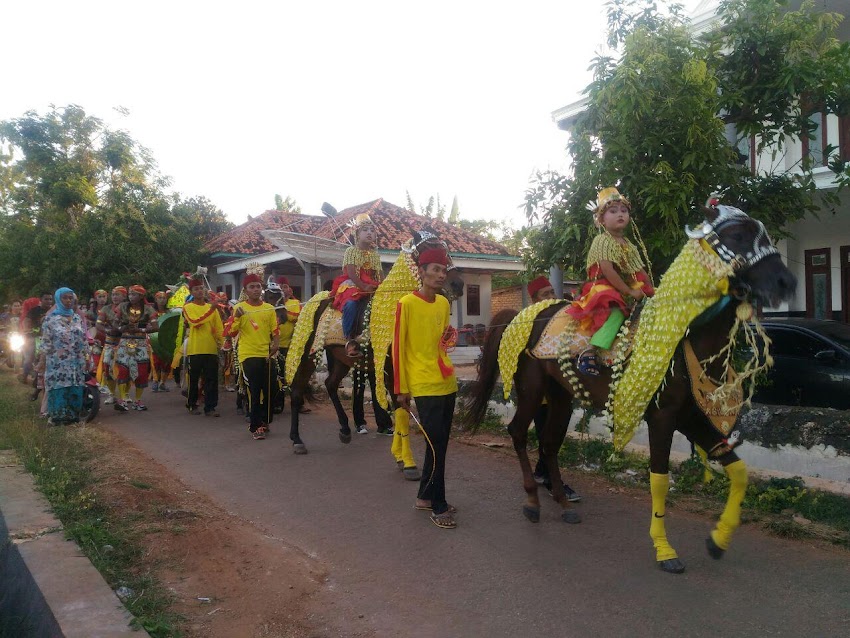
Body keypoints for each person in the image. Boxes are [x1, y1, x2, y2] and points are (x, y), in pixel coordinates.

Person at [393, 247, 459, 529]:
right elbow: (398, 348)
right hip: (422, 382)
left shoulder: (444, 303)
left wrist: (449, 338)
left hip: (446, 379)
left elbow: (443, 340)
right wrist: (401, 388)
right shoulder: (406, 303)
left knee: (439, 444)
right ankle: (439, 505)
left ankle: (424, 497)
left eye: (444, 271)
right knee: (437, 444)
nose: (440, 275)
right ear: (421, 272)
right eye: (435, 270)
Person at [566, 187, 653, 376]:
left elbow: (640, 271)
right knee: (616, 311)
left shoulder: (629, 245)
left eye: (624, 211)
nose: (620, 214)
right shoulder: (602, 241)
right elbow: (608, 270)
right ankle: (590, 350)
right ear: (601, 219)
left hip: (628, 286)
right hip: (604, 286)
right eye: (613, 211)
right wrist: (629, 292)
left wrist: (651, 289)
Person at [526, 276, 582, 502]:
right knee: (547, 436)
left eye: (552, 293)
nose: (551, 298)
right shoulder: (529, 323)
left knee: (555, 435)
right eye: (545, 295)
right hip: (539, 393)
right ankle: (551, 480)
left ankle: (540, 471)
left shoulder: (560, 322)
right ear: (534, 301)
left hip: (561, 390)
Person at [227, 273, 279, 440]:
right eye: (252, 287)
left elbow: (275, 330)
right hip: (248, 355)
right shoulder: (239, 308)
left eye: (258, 286)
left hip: (266, 354)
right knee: (254, 391)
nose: (256, 289)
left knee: (272, 390)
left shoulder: (269, 308)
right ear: (246, 290)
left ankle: (265, 421)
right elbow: (232, 332)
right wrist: (237, 317)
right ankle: (255, 426)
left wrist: (276, 344)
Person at [331, 214, 383, 358]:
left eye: (372, 230)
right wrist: (363, 286)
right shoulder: (351, 251)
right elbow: (352, 273)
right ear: (357, 234)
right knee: (351, 305)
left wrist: (383, 287)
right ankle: (350, 340)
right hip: (352, 284)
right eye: (365, 230)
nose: (369, 233)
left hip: (372, 285)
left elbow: (379, 275)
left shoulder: (375, 255)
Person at [39, 288, 88, 425]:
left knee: (75, 386)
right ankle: (57, 417)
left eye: (70, 298)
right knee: (58, 387)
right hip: (57, 363)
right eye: (65, 298)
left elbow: (83, 339)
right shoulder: (50, 319)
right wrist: (41, 362)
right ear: (58, 299)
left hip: (76, 362)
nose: (68, 301)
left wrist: (87, 357)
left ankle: (72, 417)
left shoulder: (77, 318)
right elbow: (46, 343)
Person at [183, 278, 224, 416]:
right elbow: (195, 322)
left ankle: (210, 407)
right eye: (196, 289)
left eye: (201, 288)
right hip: (195, 349)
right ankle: (192, 404)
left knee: (211, 379)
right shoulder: (188, 307)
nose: (200, 291)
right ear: (191, 292)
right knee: (193, 379)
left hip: (211, 348)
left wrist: (223, 343)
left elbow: (218, 327)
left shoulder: (210, 307)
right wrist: (212, 309)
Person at [114, 285, 158, 411]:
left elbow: (156, 326)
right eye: (130, 294)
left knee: (142, 372)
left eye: (134, 294)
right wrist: (120, 328)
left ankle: (138, 401)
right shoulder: (122, 307)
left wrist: (141, 329)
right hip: (125, 341)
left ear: (141, 296)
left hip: (140, 343)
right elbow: (115, 322)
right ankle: (122, 400)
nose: (131, 297)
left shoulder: (149, 309)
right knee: (123, 370)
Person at [96, 286, 127, 403]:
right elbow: (98, 324)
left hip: (125, 342)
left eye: (117, 294)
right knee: (107, 368)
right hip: (109, 342)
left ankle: (124, 395)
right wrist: (108, 331)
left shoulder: (129, 309)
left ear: (124, 296)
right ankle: (112, 395)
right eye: (113, 294)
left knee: (124, 369)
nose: (114, 297)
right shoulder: (106, 308)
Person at [21, 292, 53, 384]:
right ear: (41, 300)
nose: (48, 301)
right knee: (29, 356)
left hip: (49, 338)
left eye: (50, 299)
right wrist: (28, 329)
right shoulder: (34, 310)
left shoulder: (54, 311)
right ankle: (25, 375)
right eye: (46, 299)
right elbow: (26, 321)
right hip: (34, 337)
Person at [150, 291, 173, 393]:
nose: (162, 300)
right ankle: (155, 380)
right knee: (156, 361)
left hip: (166, 340)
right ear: (156, 299)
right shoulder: (150, 312)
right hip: (154, 339)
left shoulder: (169, 312)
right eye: (160, 298)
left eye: (164, 298)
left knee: (166, 362)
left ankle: (162, 383)